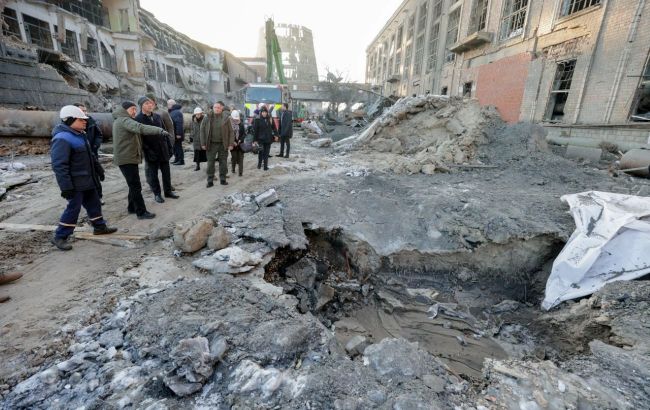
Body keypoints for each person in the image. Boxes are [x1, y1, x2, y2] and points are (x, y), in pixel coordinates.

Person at [50, 105, 118, 250]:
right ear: (69, 120)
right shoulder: (62, 139)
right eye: (81, 120)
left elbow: (91, 156)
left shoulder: (80, 135)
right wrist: (66, 187)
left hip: (87, 179)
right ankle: (60, 236)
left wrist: (98, 169)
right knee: (73, 209)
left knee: (94, 203)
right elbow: (59, 166)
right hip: (75, 183)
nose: (85, 121)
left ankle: (99, 227)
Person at [113, 101, 170, 219]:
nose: (135, 111)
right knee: (136, 186)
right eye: (132, 109)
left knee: (132, 184)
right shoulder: (124, 120)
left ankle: (132, 207)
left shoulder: (121, 119)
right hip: (127, 158)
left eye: (135, 109)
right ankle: (141, 212)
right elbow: (141, 127)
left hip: (127, 158)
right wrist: (159, 130)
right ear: (125, 110)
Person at [135, 96, 179, 203]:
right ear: (141, 106)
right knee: (153, 174)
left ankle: (168, 191)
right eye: (147, 103)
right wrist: (147, 150)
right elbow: (139, 139)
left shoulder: (157, 117)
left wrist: (169, 147)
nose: (150, 105)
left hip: (163, 149)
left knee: (166, 173)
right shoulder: (138, 119)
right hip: (150, 151)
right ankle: (157, 194)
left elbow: (164, 132)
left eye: (150, 103)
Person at [72, 103, 105, 200]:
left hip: (92, 153)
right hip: (80, 157)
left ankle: (98, 196)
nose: (85, 113)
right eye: (82, 111)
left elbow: (99, 135)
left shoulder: (91, 121)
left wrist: (95, 146)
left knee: (95, 176)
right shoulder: (72, 125)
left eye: (85, 110)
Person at [200, 101, 234, 187]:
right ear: (213, 108)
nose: (217, 109)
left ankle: (223, 179)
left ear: (221, 108)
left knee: (223, 162)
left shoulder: (226, 118)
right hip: (211, 144)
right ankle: (210, 181)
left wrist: (231, 144)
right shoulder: (207, 117)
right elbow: (202, 131)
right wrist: (203, 143)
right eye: (215, 107)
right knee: (210, 163)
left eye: (218, 108)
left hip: (223, 144)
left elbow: (231, 131)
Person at [253, 106, 276, 171]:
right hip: (260, 140)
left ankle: (265, 166)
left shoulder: (270, 119)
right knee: (261, 153)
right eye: (263, 112)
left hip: (268, 139)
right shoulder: (257, 120)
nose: (264, 113)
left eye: (265, 112)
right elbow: (256, 131)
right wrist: (255, 140)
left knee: (266, 153)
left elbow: (274, 128)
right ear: (261, 113)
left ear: (267, 113)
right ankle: (259, 165)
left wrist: (276, 135)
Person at [168, 99, 185, 165]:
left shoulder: (177, 112)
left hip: (177, 134)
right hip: (173, 133)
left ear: (172, 104)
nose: (167, 106)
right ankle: (176, 159)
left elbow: (179, 123)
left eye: (168, 104)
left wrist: (178, 133)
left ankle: (181, 160)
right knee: (175, 147)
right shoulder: (172, 112)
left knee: (178, 147)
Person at [229, 110, 246, 176]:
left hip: (241, 144)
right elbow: (228, 135)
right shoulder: (230, 125)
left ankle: (240, 172)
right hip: (233, 144)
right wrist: (233, 141)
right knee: (234, 158)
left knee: (241, 159)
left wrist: (241, 140)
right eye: (234, 119)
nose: (236, 120)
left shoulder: (241, 124)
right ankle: (233, 169)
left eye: (237, 119)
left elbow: (244, 134)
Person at [191, 107, 207, 171]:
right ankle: (197, 166)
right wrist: (191, 136)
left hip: (203, 140)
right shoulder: (193, 120)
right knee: (197, 154)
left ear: (201, 113)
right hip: (196, 140)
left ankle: (209, 166)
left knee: (206, 153)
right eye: (196, 114)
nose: (198, 115)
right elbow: (192, 129)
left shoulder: (205, 120)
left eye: (199, 114)